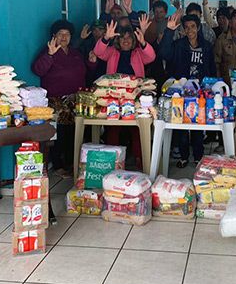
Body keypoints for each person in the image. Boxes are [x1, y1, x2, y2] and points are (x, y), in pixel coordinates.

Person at [95, 19, 155, 169]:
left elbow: (151, 57)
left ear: (133, 40)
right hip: (113, 98)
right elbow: (98, 52)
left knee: (136, 129)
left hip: (134, 97)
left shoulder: (138, 53)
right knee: (113, 128)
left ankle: (140, 159)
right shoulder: (112, 52)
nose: (126, 41)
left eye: (129, 38)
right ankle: (111, 162)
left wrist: (143, 42)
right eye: (122, 38)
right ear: (118, 40)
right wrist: (105, 38)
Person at [160, 12, 216, 167]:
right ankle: (184, 156)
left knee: (198, 125)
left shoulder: (206, 46)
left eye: (192, 27)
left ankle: (198, 157)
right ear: (183, 30)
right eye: (186, 27)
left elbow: (212, 68)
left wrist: (211, 88)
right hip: (181, 92)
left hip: (200, 92)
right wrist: (169, 31)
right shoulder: (178, 45)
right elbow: (164, 53)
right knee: (181, 125)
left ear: (198, 28)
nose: (190, 30)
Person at [32, 20, 86, 178]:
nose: (64, 37)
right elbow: (38, 70)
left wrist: (91, 61)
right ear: (54, 36)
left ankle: (71, 162)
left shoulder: (75, 52)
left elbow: (85, 70)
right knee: (59, 132)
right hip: (56, 100)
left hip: (75, 99)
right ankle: (58, 164)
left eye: (67, 34)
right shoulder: (49, 51)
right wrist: (49, 55)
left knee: (74, 132)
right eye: (60, 34)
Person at [145, 0, 171, 92]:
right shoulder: (149, 24)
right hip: (154, 68)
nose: (159, 14)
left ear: (166, 12)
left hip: (169, 68)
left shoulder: (170, 23)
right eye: (156, 12)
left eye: (161, 12)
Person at [79, 20, 107, 86]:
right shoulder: (86, 44)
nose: (97, 32)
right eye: (94, 29)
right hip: (90, 78)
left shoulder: (110, 44)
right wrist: (81, 39)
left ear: (105, 31)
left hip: (106, 78)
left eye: (100, 29)